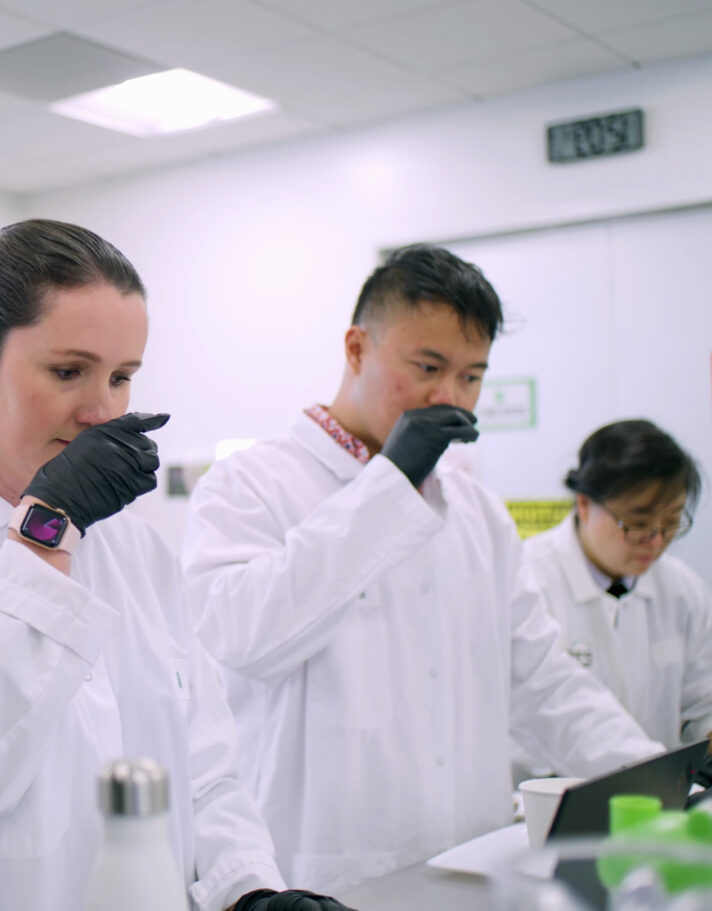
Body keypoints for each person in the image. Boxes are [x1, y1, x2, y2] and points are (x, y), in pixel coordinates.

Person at [0, 219, 351, 911]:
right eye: (68, 372)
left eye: (121, 377)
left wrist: (248, 888)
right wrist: (44, 530)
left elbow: (202, 768)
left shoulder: (133, 546)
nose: (101, 410)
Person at [182, 244, 663, 893]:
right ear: (356, 349)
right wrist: (390, 483)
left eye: (471, 376)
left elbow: (541, 678)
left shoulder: (476, 512)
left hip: (468, 860)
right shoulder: (251, 484)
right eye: (429, 366)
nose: (450, 397)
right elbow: (241, 636)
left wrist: (655, 777)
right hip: (323, 871)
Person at [522, 419, 711, 749]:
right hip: (549, 795)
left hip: (656, 796)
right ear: (584, 504)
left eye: (671, 523)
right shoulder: (527, 581)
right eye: (637, 524)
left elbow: (703, 706)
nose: (655, 541)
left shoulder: (683, 590)